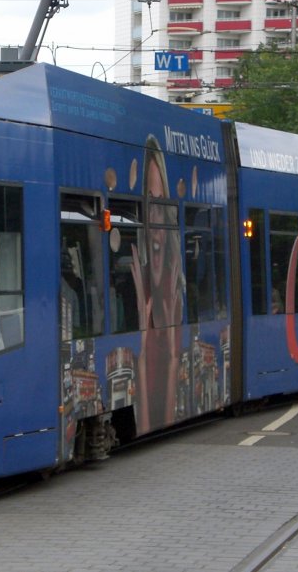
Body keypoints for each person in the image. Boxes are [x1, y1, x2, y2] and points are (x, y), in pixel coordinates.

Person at [132, 135, 184, 432]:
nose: (155, 223)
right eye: (149, 205)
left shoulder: (176, 291)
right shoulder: (136, 285)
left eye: (161, 206)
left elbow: (165, 421)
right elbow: (149, 425)